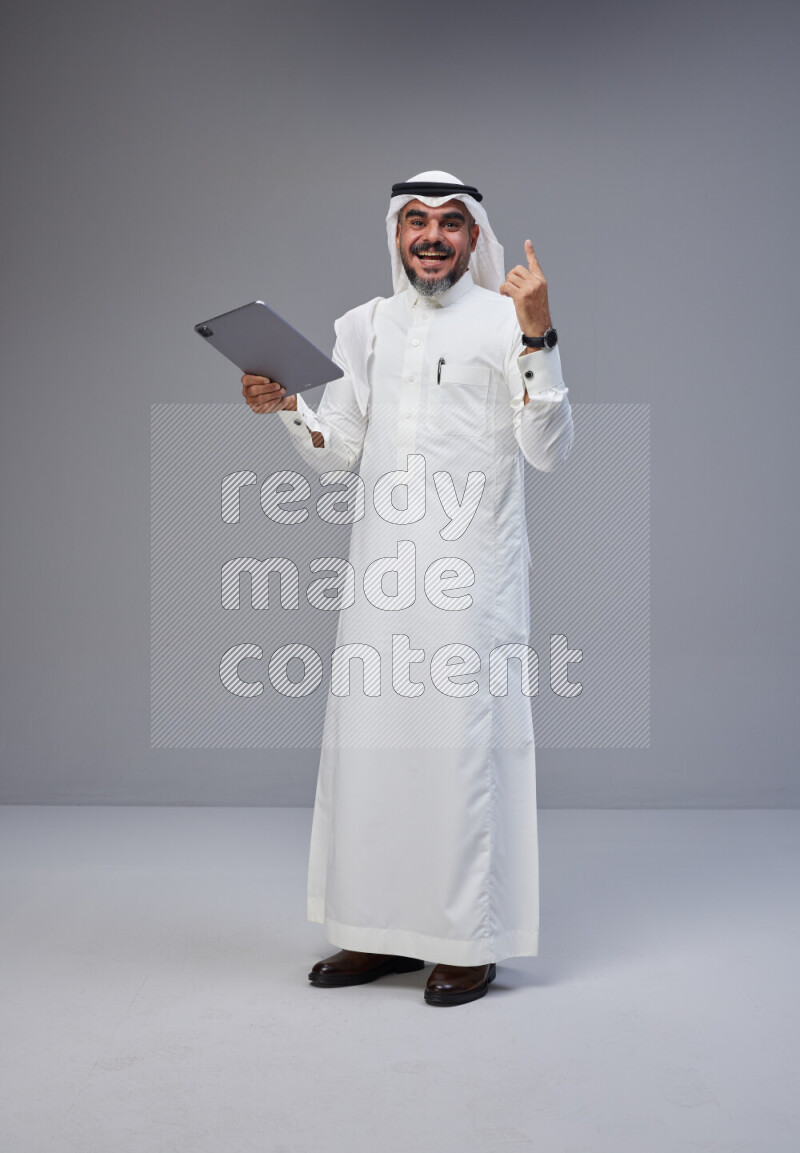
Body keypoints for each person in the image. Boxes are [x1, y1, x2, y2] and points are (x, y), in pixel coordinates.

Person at [242, 171, 574, 1006]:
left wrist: (539, 336)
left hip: (474, 580)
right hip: (381, 576)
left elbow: (549, 449)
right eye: (416, 221)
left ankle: (467, 940)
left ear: (474, 238)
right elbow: (338, 448)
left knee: (462, 754)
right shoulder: (364, 327)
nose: (431, 236)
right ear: (396, 234)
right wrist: (288, 404)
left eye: (451, 223)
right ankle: (375, 931)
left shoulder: (508, 320)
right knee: (373, 751)